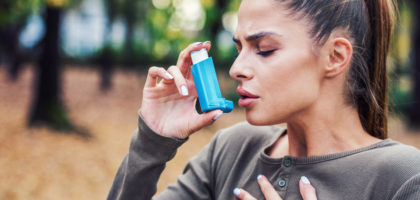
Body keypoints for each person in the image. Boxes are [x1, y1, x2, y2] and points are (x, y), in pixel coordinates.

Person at [107, 0, 420, 199]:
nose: (237, 69)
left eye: (265, 49)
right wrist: (152, 142)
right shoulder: (231, 150)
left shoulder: (404, 179)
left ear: (335, 56)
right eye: (239, 47)